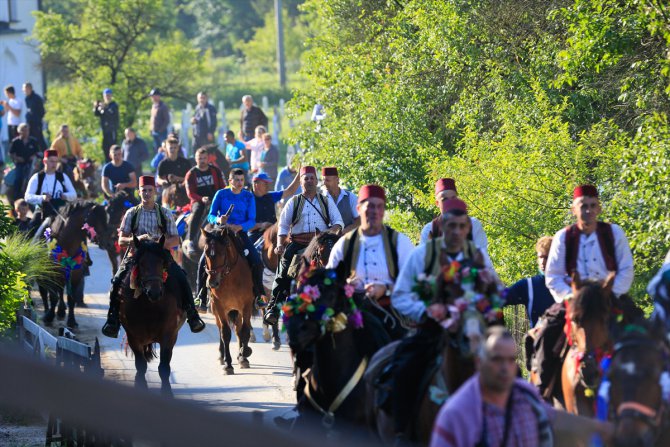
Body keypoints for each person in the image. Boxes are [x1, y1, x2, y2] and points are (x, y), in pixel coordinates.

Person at [390, 198, 500, 438]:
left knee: (507, 367)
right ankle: (402, 433)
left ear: (468, 228)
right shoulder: (423, 255)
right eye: (451, 225)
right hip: (433, 329)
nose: (457, 231)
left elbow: (495, 290)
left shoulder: (478, 256)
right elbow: (399, 295)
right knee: (404, 366)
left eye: (462, 226)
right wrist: (426, 310)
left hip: (472, 330)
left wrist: (484, 307)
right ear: (442, 225)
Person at [430, 327, 613, 447]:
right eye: (497, 360)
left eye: (511, 360)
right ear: (479, 362)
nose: (505, 368)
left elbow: (552, 417)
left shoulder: (524, 395)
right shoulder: (456, 415)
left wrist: (600, 428)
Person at [101, 175, 205, 338]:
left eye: (150, 190)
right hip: (136, 256)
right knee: (117, 281)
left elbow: (175, 239)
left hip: (160, 256)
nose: (147, 193)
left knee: (182, 277)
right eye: (144, 191)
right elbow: (121, 240)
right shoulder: (131, 213)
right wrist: (137, 240)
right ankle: (112, 320)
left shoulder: (164, 213)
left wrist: (159, 244)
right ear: (139, 192)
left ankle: (192, 315)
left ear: (155, 192)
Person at [326, 184, 414, 339]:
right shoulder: (345, 244)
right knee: (328, 341)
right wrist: (344, 285)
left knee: (408, 352)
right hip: (351, 312)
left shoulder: (399, 242)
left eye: (380, 207)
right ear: (359, 209)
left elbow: (414, 281)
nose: (375, 211)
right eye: (370, 206)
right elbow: (328, 281)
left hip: (391, 311)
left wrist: (386, 288)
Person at [263, 166, 344, 325]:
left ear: (316, 180)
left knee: (338, 265)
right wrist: (280, 244)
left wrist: (330, 231)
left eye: (312, 178)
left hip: (320, 242)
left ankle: (343, 301)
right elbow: (284, 226)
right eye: (305, 178)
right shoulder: (294, 201)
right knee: (284, 267)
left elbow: (338, 222)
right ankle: (274, 306)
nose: (309, 181)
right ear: (301, 181)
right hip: (298, 242)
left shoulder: (326, 201)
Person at [544, 184, 634, 303]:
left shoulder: (614, 233)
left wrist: (610, 292)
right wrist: (572, 296)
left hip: (610, 297)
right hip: (574, 299)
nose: (589, 210)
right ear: (574, 210)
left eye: (593, 205)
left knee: (639, 321)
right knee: (546, 322)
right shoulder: (563, 237)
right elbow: (553, 276)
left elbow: (626, 269)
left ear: (599, 209)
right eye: (583, 206)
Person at [195, 168, 266, 309]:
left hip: (240, 233)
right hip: (221, 232)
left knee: (257, 261)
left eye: (241, 180)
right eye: (236, 180)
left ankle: (258, 295)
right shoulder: (221, 194)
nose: (239, 183)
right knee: (203, 260)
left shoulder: (248, 196)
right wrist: (218, 219)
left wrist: (240, 227)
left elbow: (252, 220)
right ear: (230, 181)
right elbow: (210, 215)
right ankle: (200, 296)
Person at [420, 178, 489, 252]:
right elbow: (423, 260)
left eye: (453, 198)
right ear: (437, 203)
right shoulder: (430, 230)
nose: (450, 203)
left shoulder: (473, 225)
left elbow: (481, 257)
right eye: (444, 199)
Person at [504, 236, 555, 327]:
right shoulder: (529, 285)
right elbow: (500, 299)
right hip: (539, 339)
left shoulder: (569, 283)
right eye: (540, 257)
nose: (542, 262)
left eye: (547, 257)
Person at [183, 147, 226, 254]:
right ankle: (191, 240)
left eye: (204, 158)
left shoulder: (215, 170)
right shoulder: (191, 174)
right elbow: (190, 193)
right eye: (199, 158)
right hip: (198, 201)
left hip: (215, 199)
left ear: (208, 159)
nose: (202, 161)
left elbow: (222, 186)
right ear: (196, 159)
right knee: (197, 211)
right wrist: (201, 199)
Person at [24, 150, 77, 235]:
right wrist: (42, 198)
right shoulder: (37, 177)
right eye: (52, 161)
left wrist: (65, 196)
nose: (54, 164)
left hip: (61, 211)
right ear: (44, 161)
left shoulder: (63, 177)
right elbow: (27, 197)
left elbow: (74, 195)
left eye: (56, 161)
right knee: (31, 231)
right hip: (42, 211)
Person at [248, 171, 300, 246]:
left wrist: (299, 175)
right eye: (265, 183)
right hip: (256, 235)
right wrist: (261, 225)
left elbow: (290, 191)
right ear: (256, 185)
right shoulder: (247, 200)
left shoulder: (271, 196)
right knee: (251, 255)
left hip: (273, 233)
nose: (268, 186)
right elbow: (244, 225)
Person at [321, 166, 360, 233]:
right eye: (323, 180)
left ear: (337, 180)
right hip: (328, 239)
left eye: (327, 180)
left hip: (348, 238)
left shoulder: (351, 197)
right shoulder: (321, 199)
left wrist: (343, 233)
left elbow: (359, 221)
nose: (324, 183)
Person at [9, 123, 40, 200]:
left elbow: (38, 152)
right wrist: (17, 158)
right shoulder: (15, 141)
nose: (26, 132)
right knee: (18, 178)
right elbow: (11, 153)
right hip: (20, 164)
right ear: (19, 131)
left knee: (35, 179)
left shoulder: (33, 141)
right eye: (24, 130)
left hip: (31, 164)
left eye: (27, 130)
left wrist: (34, 156)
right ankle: (16, 197)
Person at [93, 88, 119, 163]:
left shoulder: (113, 105)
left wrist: (104, 108)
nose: (107, 97)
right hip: (105, 132)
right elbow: (96, 114)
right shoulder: (103, 105)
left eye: (109, 95)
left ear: (111, 96)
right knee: (105, 149)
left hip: (111, 131)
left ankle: (114, 163)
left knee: (112, 149)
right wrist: (96, 106)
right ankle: (107, 164)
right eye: (106, 95)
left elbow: (111, 114)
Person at [22, 82, 46, 150]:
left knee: (39, 139)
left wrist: (37, 119)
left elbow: (42, 111)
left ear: (29, 88)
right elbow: (29, 110)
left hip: (36, 122)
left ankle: (46, 155)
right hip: (30, 123)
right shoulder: (26, 98)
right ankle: (35, 155)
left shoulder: (37, 98)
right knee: (31, 140)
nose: (24, 91)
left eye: (25, 89)